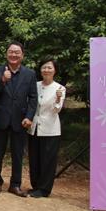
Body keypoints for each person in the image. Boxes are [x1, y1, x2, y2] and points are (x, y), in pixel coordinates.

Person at [0, 41, 38, 197]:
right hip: (1, 118)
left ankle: (15, 184)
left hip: (20, 119)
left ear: (22, 55)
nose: (14, 55)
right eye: (11, 52)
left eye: (17, 52)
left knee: (18, 154)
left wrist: (29, 116)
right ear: (6, 54)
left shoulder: (30, 74)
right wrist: (3, 81)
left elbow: (33, 98)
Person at [27, 58, 66, 198]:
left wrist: (58, 98)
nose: (46, 70)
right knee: (34, 158)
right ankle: (35, 186)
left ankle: (44, 189)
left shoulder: (59, 88)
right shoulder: (35, 85)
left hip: (50, 129)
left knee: (47, 160)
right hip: (34, 127)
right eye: (44, 67)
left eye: (49, 67)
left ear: (55, 70)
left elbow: (57, 110)